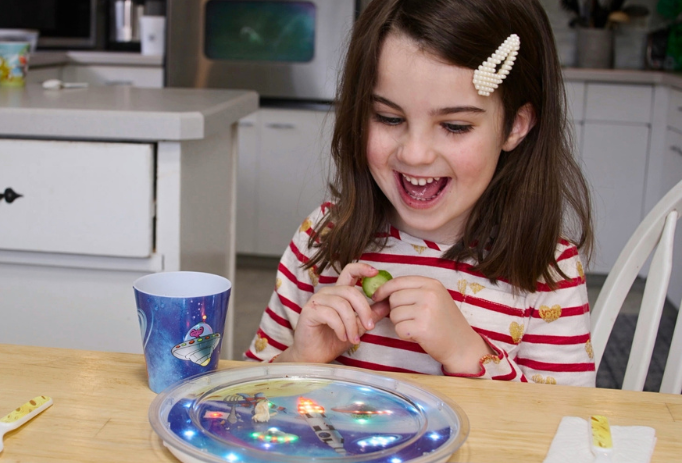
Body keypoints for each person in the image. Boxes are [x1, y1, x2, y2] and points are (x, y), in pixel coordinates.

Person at [244, 0, 596, 387]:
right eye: (389, 118)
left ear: (515, 125)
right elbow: (248, 399)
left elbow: (562, 430)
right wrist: (302, 358)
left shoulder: (547, 272)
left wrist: (469, 354)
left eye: (456, 126)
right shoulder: (322, 237)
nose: (414, 153)